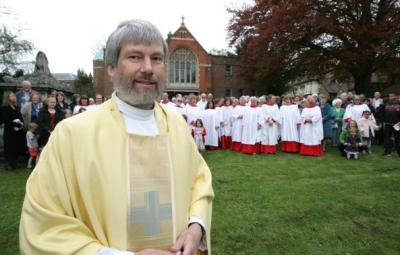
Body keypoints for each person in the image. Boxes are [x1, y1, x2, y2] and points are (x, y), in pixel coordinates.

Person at [20, 19, 214, 255]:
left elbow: (199, 181)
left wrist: (197, 226)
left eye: (156, 58)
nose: (148, 68)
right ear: (111, 67)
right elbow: (43, 223)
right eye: (135, 57)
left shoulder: (177, 126)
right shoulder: (71, 135)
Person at [1, 91, 26, 170]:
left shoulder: (17, 107)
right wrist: (16, 124)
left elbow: (20, 117)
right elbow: (5, 120)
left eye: (14, 96)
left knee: (16, 147)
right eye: (12, 96)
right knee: (9, 147)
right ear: (7, 98)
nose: (14, 97)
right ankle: (8, 164)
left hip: (18, 131)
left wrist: (21, 123)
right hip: (9, 131)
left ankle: (14, 163)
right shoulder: (4, 107)